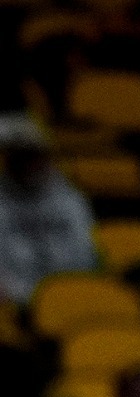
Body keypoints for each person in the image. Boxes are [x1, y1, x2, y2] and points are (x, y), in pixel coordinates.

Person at [0, 113, 95, 307]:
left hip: (70, 297)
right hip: (13, 300)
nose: (28, 164)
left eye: (33, 155)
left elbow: (85, 257)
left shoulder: (71, 200)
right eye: (19, 156)